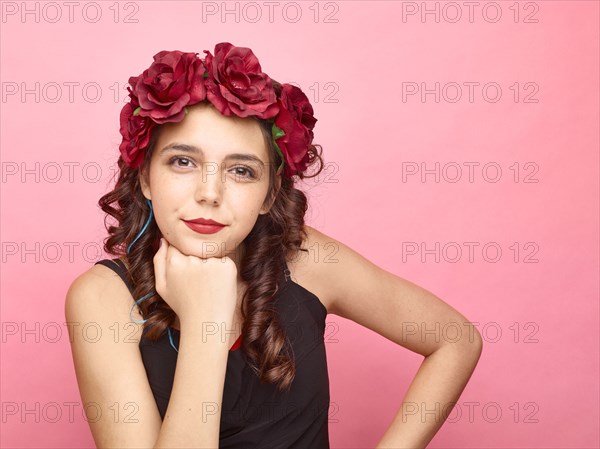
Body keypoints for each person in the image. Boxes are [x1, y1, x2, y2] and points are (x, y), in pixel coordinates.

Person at [65, 42, 483, 449]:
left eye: (242, 170)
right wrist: (204, 324)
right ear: (145, 178)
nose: (210, 193)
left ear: (268, 195)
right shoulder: (102, 299)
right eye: (183, 161)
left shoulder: (307, 259)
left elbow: (455, 339)